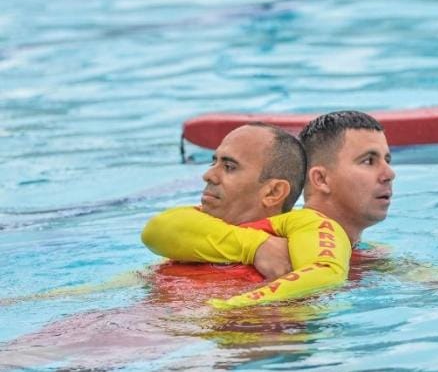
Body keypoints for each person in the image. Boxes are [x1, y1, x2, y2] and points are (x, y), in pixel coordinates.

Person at [142, 110, 395, 309]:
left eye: (229, 166)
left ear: (275, 192)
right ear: (320, 179)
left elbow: (323, 273)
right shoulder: (228, 226)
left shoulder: (361, 255)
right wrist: (256, 246)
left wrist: (224, 308)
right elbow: (157, 229)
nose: (389, 173)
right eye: (368, 161)